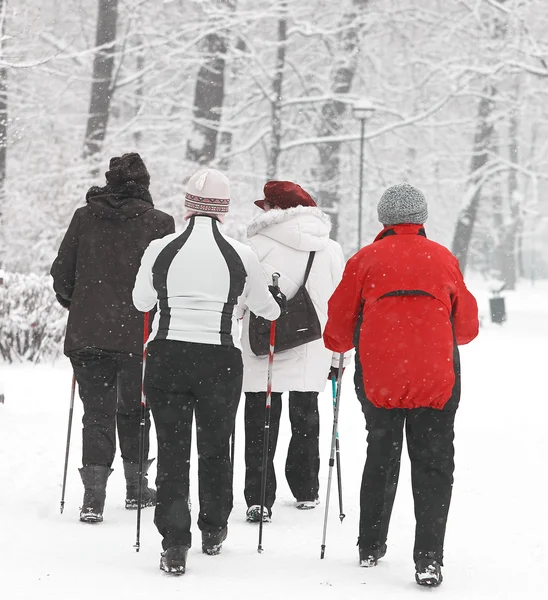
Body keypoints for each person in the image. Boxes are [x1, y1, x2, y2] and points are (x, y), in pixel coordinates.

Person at [323, 183, 479, 587]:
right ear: (422, 219)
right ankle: (428, 557)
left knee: (382, 456)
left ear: (384, 219)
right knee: (433, 464)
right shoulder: (443, 259)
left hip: (380, 380)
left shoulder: (365, 260)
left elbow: (338, 329)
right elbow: (466, 328)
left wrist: (346, 340)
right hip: (436, 378)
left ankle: (370, 545)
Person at [132, 168, 284, 575]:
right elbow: (268, 310)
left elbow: (141, 301)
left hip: (166, 355)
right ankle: (213, 529)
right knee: (216, 448)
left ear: (187, 204)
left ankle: (174, 542)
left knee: (172, 450)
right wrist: (268, 293)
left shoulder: (160, 248)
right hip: (218, 358)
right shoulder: (241, 254)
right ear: (224, 208)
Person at [51, 153, 175, 523]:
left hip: (88, 333)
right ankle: (137, 489)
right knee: (136, 409)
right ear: (145, 185)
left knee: (97, 413)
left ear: (109, 182)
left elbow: (61, 276)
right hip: (137, 334)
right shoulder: (159, 223)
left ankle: (93, 497)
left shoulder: (84, 217)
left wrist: (80, 303)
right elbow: (167, 282)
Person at [240, 181, 346, 523]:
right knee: (305, 416)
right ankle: (306, 489)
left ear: (276, 210)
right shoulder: (329, 249)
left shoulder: (253, 247)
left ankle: (258, 496)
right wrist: (338, 357)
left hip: (264, 342)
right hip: (312, 343)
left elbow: (240, 302)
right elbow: (339, 305)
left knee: (260, 419)